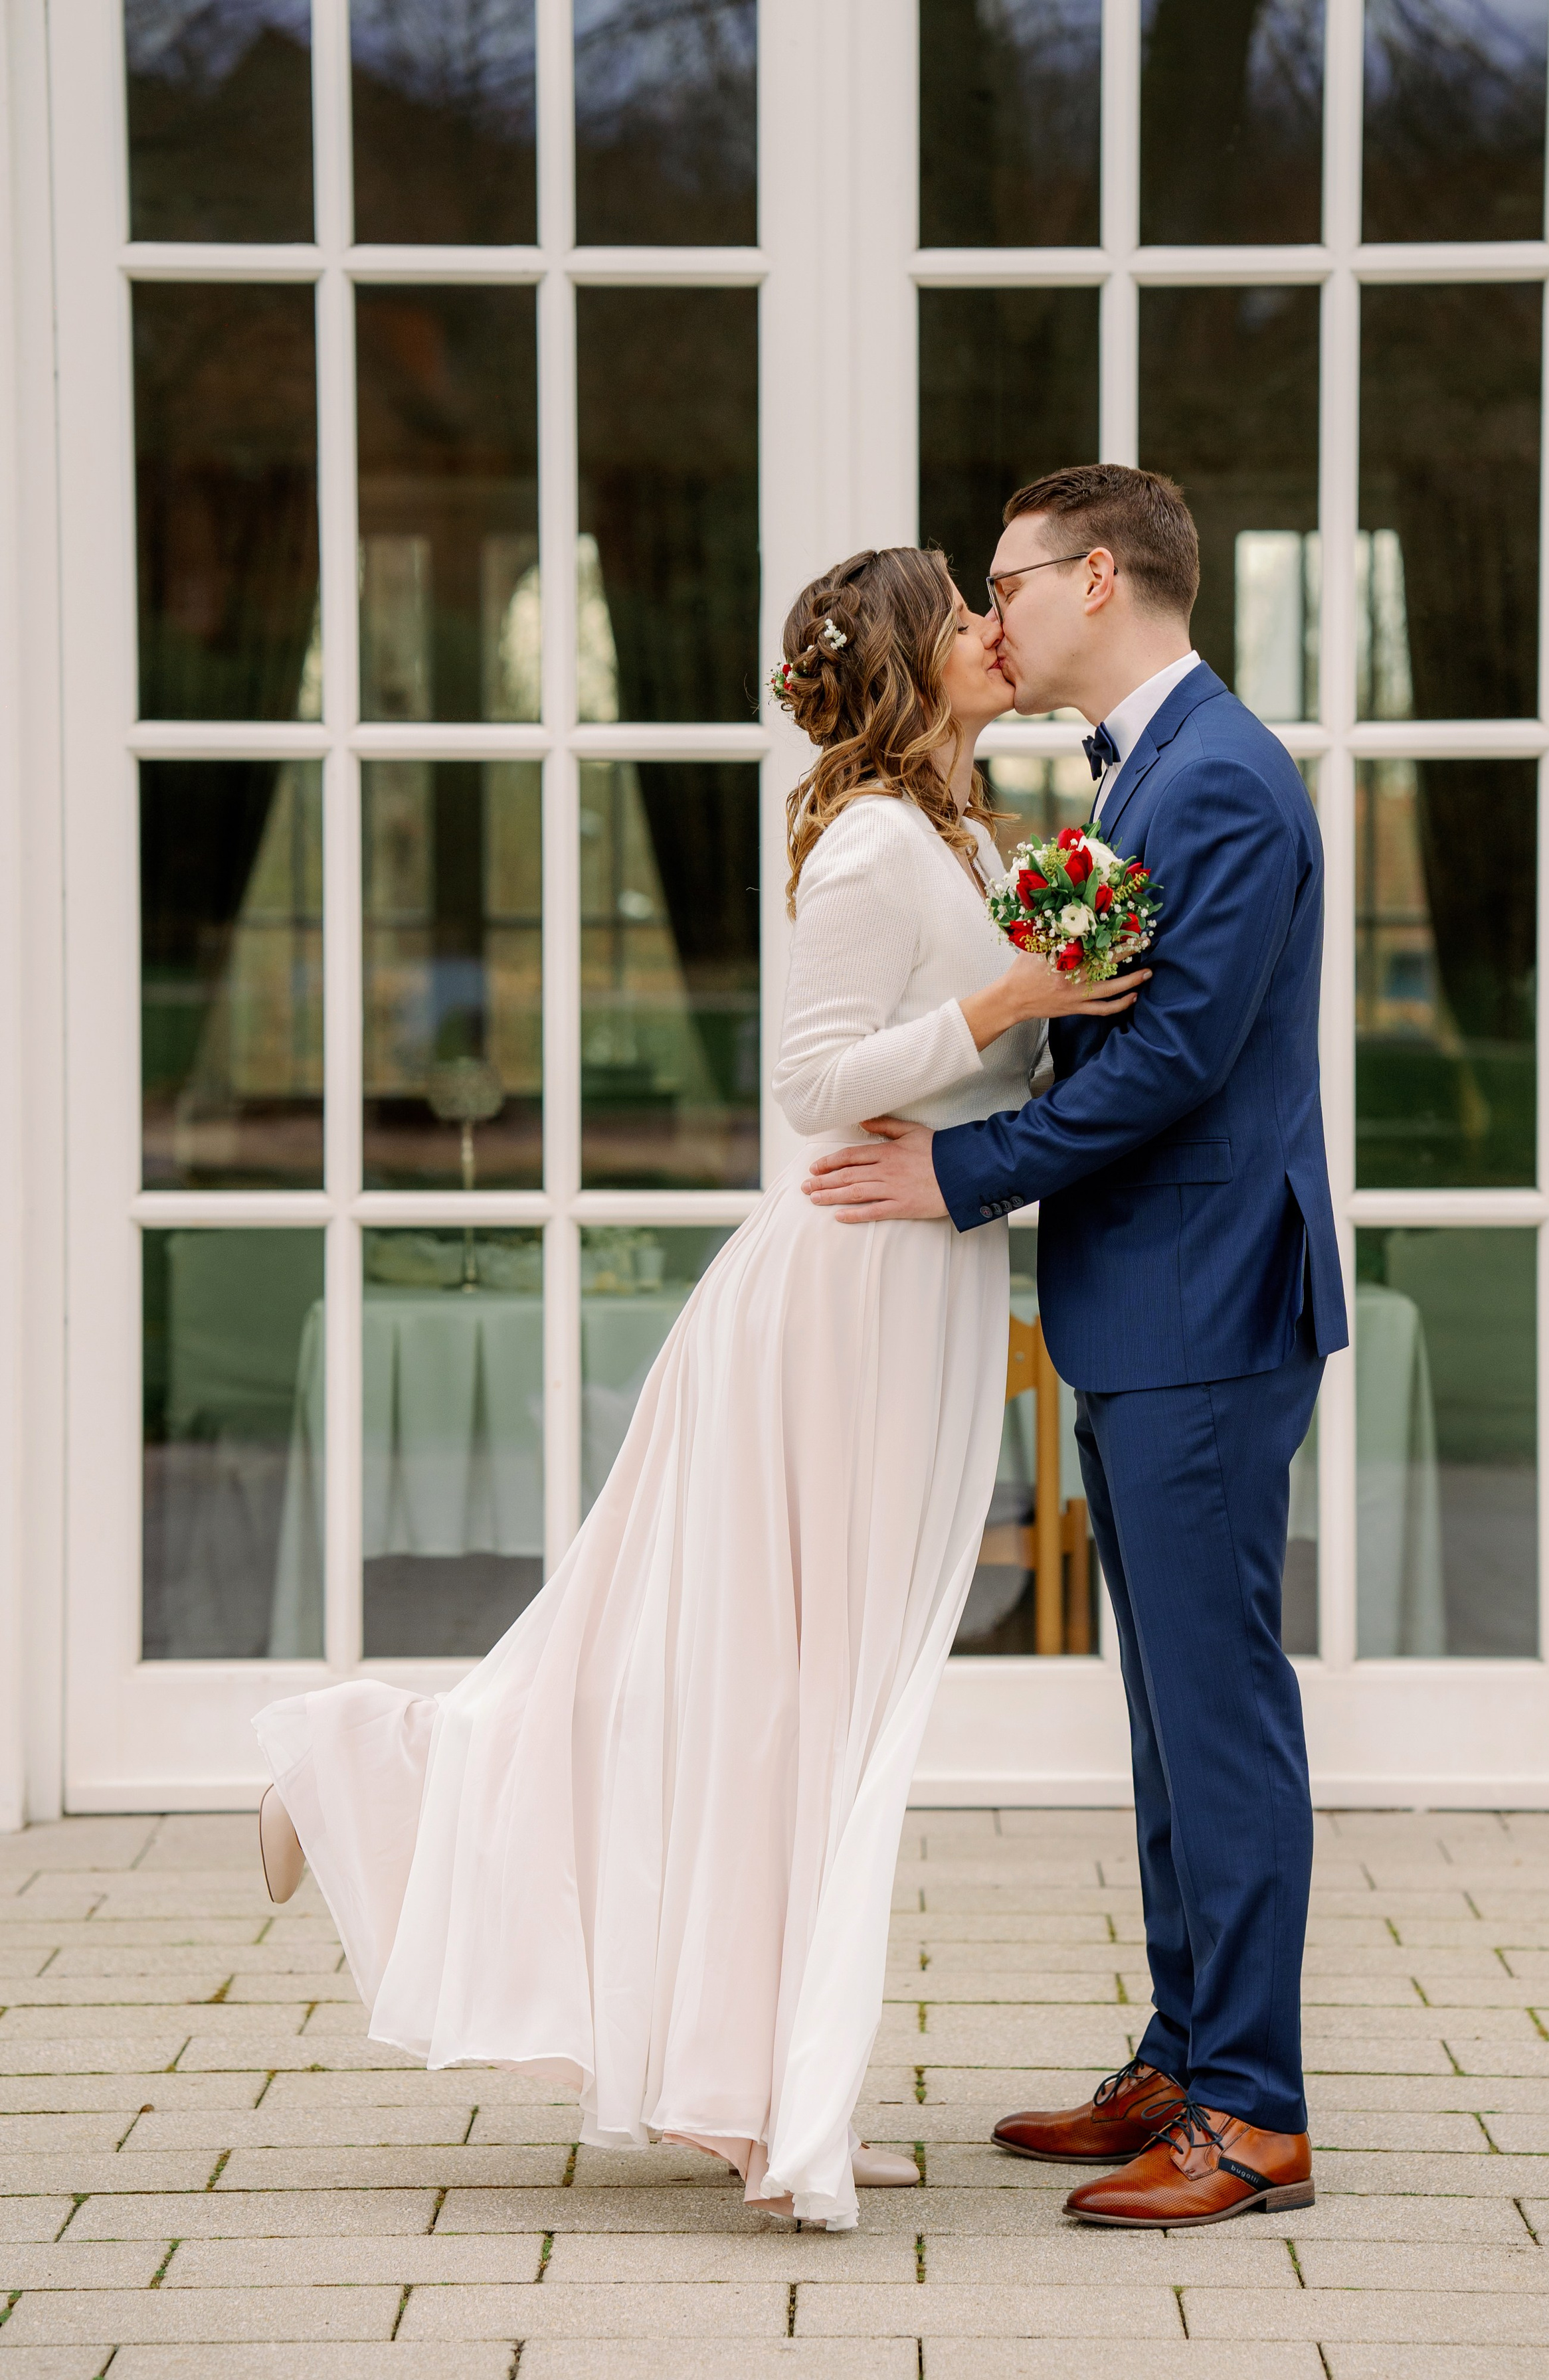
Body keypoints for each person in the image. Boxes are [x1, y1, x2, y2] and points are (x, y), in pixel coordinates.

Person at [251, 545, 1146, 2233]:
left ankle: (752, 2055)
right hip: (833, 1301)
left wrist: (1048, 1001)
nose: (986, 626)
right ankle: (742, 2085)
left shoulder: (968, 837)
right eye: (956, 607)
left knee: (817, 1694)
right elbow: (815, 1085)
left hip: (926, 1286)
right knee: (768, 1693)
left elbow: (975, 1072)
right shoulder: (875, 843)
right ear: (902, 656)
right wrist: (1012, 995)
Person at [803, 464, 1349, 2229]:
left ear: (1095, 578)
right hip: (1149, 1306)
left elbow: (1173, 1065)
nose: (995, 616)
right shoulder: (1156, 777)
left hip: (1202, 1306)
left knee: (1220, 1708)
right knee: (1166, 1717)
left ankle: (1253, 2112)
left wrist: (958, 1171)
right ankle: (1188, 2053)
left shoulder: (1227, 783)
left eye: (1011, 582)